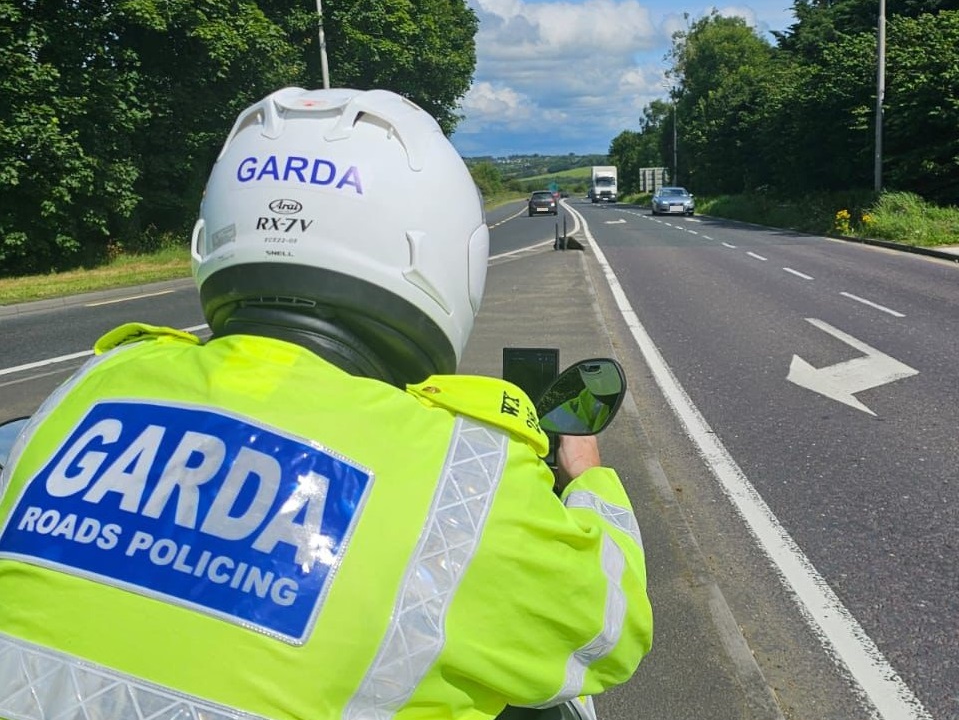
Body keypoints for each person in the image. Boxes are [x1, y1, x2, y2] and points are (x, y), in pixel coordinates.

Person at [0, 88, 652, 720]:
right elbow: (606, 633)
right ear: (440, 254)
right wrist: (589, 474)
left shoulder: (95, 386)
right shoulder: (463, 477)